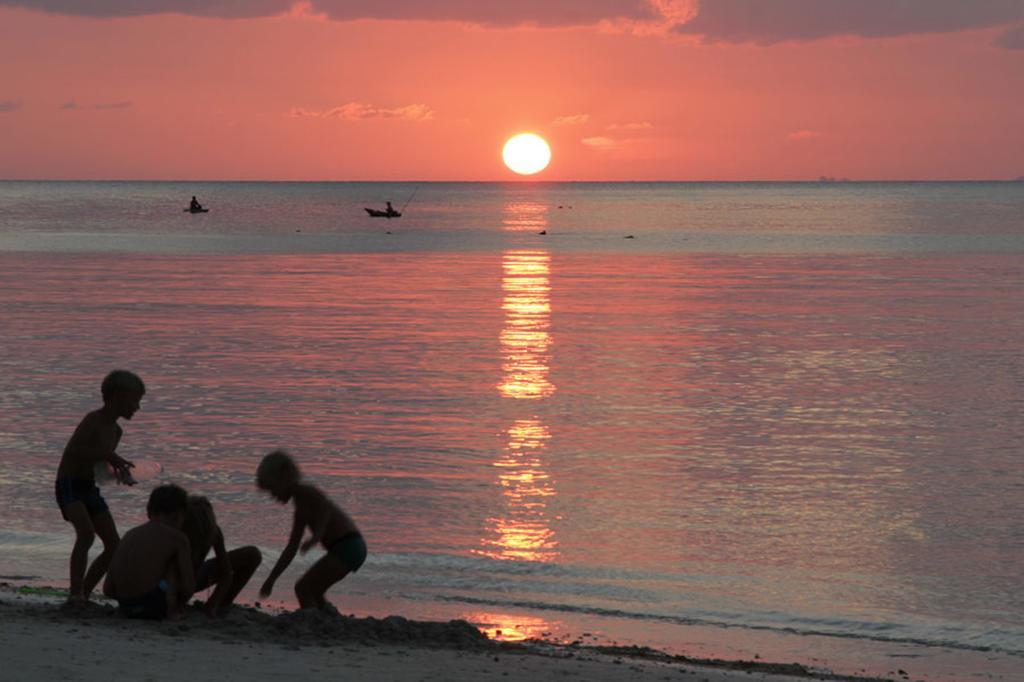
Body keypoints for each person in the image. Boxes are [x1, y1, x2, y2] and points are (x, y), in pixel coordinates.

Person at [54, 370, 144, 603]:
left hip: (89, 486)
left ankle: (84, 591)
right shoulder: (93, 420)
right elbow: (74, 451)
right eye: (135, 400)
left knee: (114, 544)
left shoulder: (116, 431)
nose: (137, 407)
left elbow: (100, 468)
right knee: (85, 534)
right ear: (117, 396)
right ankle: (75, 594)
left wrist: (119, 474)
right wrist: (109, 455)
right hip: (69, 484)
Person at [256, 450, 367, 610]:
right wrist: (272, 578)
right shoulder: (300, 510)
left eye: (273, 489)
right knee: (314, 590)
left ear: (284, 478)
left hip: (348, 545)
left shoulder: (305, 492)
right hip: (348, 547)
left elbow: (325, 508)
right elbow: (291, 548)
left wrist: (316, 536)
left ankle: (311, 620)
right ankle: (327, 618)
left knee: (303, 588)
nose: (273, 495)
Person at [103, 484, 195, 620]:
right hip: (151, 605)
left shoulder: (129, 534)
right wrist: (180, 601)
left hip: (125, 606)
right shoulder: (178, 538)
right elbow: (188, 587)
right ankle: (173, 612)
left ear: (148, 511)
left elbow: (108, 590)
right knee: (173, 566)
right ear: (178, 515)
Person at [182, 495, 262, 617]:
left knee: (252, 554)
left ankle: (223, 604)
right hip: (173, 581)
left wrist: (212, 603)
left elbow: (226, 573)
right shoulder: (177, 531)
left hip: (196, 575)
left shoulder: (213, 531)